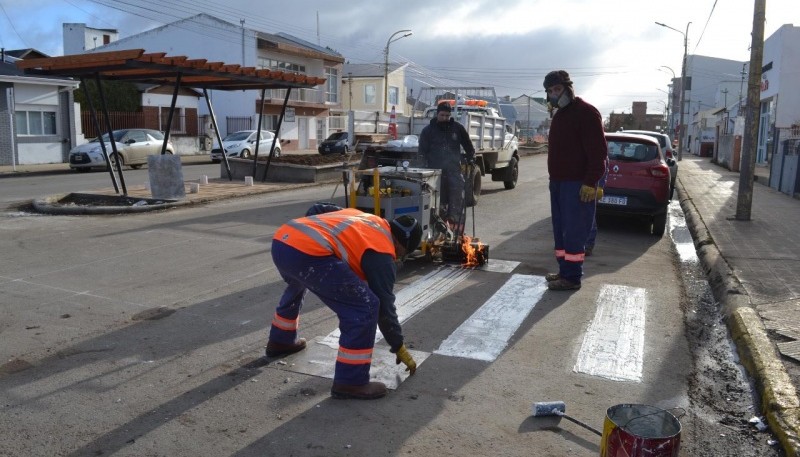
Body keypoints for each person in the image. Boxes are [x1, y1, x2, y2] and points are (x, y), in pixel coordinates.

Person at [266, 204, 422, 400]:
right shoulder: (383, 252)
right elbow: (384, 306)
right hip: (307, 253)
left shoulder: (366, 218)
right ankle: (351, 381)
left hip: (283, 240)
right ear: (401, 245)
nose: (397, 258)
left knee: (299, 281)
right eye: (401, 255)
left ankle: (281, 340)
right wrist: (398, 345)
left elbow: (316, 210)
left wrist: (310, 240)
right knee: (365, 307)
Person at [543, 70, 608, 291]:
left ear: (569, 88)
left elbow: (598, 153)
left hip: (577, 184)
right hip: (559, 183)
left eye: (557, 89)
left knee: (574, 231)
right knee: (560, 229)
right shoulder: (560, 116)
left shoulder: (586, 113)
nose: (554, 94)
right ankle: (564, 271)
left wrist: (590, 182)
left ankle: (572, 278)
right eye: (550, 91)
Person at [418, 102, 476, 231]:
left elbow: (468, 146)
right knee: (437, 200)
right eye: (442, 115)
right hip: (434, 172)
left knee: (457, 198)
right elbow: (421, 152)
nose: (445, 118)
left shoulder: (457, 128)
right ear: (437, 114)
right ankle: (439, 229)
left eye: (447, 115)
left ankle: (456, 230)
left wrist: (471, 157)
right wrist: (423, 168)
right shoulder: (428, 131)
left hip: (453, 169)